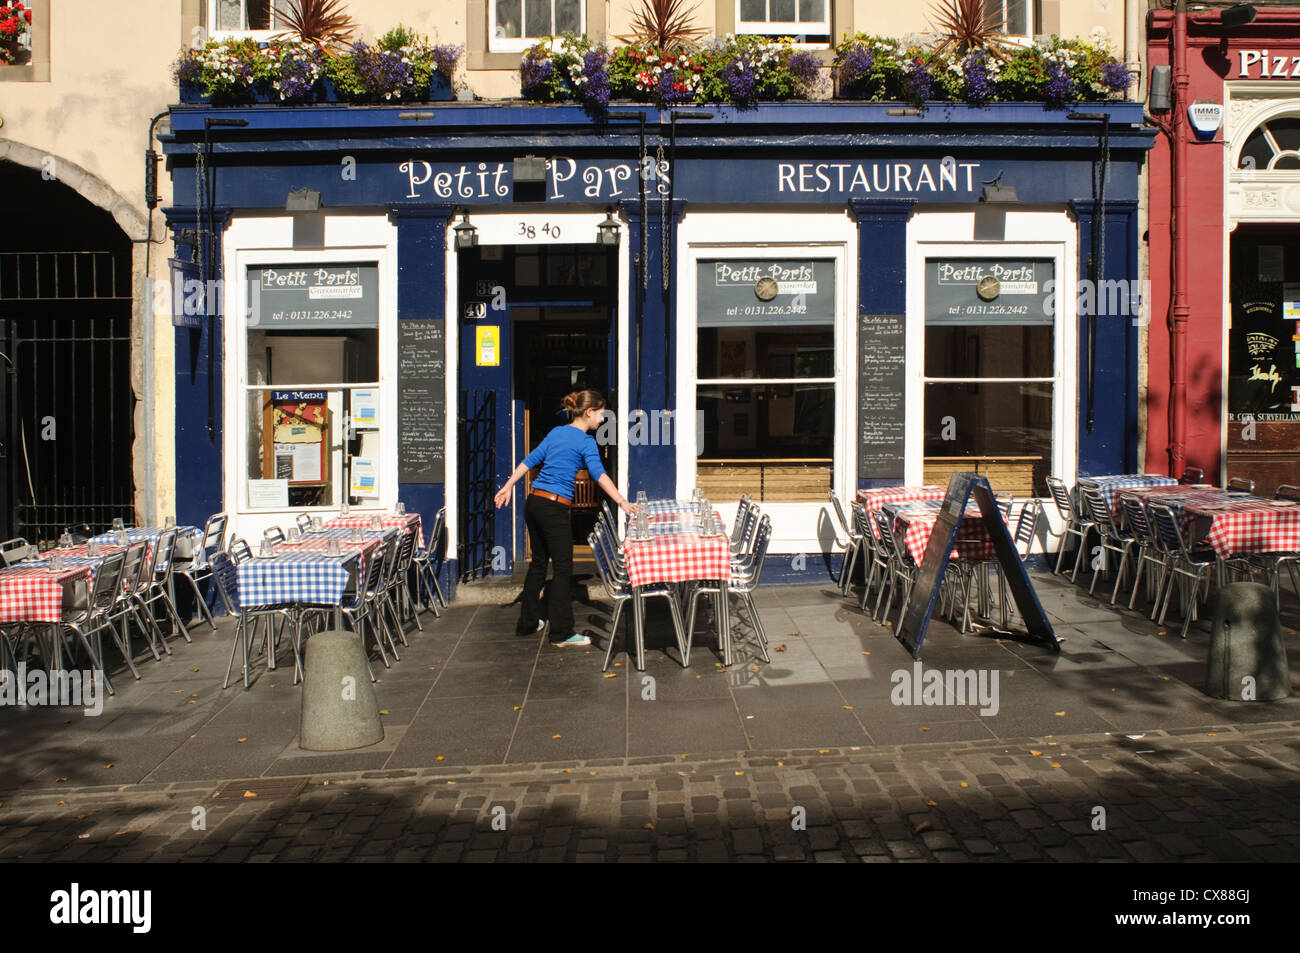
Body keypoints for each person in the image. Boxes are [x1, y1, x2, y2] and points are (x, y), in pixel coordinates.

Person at [494, 389, 637, 646]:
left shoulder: (556, 432)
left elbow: (529, 461)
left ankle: (528, 623)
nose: (602, 420)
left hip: (534, 503)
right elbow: (599, 474)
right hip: (553, 508)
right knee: (563, 568)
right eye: (601, 415)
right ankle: (561, 632)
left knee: (539, 563)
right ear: (589, 412)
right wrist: (622, 502)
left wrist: (507, 487)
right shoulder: (586, 442)